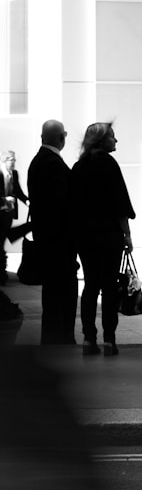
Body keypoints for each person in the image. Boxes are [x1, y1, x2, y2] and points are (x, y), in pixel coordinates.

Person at [70, 123, 135, 357]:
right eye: (113, 137)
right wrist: (127, 234)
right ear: (102, 141)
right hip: (109, 235)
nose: (116, 141)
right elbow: (120, 204)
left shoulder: (79, 166)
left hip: (85, 237)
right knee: (109, 287)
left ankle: (89, 338)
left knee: (90, 286)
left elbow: (72, 205)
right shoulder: (109, 164)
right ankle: (109, 340)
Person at [27, 120, 78, 344]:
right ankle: (62, 338)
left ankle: (52, 338)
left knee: (51, 295)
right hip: (59, 244)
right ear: (62, 137)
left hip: (46, 241)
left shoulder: (38, 161)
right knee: (63, 293)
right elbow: (62, 204)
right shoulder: (52, 164)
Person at [0, 150, 29, 284]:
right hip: (0, 210)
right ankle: (1, 272)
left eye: (14, 160)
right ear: (4, 160)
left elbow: (18, 191)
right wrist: (4, 200)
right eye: (11, 160)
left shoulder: (14, 174)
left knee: (3, 239)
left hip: (8, 214)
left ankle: (2, 271)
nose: (13, 163)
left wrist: (27, 201)